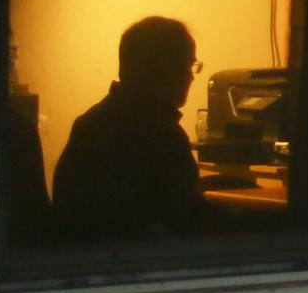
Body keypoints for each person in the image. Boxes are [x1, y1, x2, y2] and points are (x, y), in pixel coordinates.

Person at [51, 16, 207, 242]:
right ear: (165, 68)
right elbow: (185, 221)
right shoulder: (160, 136)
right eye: (188, 65)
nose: (192, 76)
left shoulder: (89, 123)